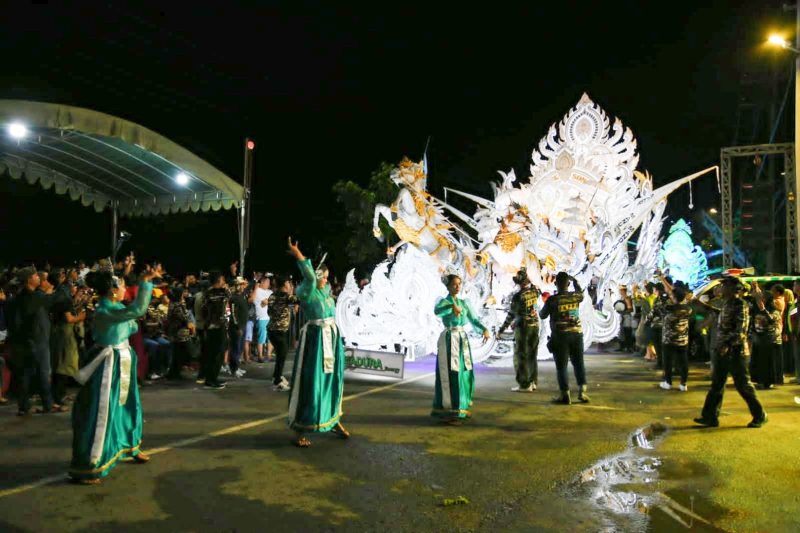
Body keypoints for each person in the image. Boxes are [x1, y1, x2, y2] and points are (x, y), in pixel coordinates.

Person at [69, 264, 162, 485]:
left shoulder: (115, 307)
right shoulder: (105, 311)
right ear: (112, 290)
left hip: (123, 359)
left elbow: (132, 322)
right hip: (108, 364)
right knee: (102, 411)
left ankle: (130, 444)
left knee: (129, 404)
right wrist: (146, 282)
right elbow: (137, 312)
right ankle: (90, 464)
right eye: (121, 285)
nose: (123, 289)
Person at [286, 237, 349, 447]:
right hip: (315, 342)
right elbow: (311, 278)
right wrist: (299, 255)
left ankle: (333, 419)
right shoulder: (306, 290)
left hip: (331, 339)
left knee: (333, 380)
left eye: (326, 277)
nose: (323, 280)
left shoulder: (326, 293)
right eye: (321, 276)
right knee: (312, 383)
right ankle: (301, 427)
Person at [694, 278, 767, 428]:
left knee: (743, 386)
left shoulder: (741, 305)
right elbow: (720, 314)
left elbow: (741, 330)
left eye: (725, 286)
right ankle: (710, 417)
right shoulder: (727, 304)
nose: (721, 288)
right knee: (717, 385)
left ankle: (760, 415)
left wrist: (727, 345)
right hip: (722, 350)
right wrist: (703, 306)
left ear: (735, 289)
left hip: (736, 352)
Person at [10, 267, 70, 415]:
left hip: (25, 341)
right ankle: (48, 404)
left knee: (25, 374)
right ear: (29, 279)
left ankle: (24, 407)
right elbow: (57, 298)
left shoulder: (20, 297)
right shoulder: (34, 296)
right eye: (36, 276)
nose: (39, 278)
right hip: (37, 341)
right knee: (43, 373)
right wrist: (61, 286)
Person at [432, 273, 491, 424]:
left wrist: (484, 329)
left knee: (464, 372)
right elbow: (438, 311)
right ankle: (451, 411)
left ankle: (461, 407)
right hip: (449, 339)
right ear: (448, 286)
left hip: (462, 340)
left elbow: (473, 319)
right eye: (454, 284)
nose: (457, 287)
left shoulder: (464, 303)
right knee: (452, 373)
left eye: (459, 284)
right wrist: (452, 307)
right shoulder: (443, 302)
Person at [539, 271, 589, 404]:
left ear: (555, 284)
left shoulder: (553, 300)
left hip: (560, 336)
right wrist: (575, 281)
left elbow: (542, 315)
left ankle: (565, 394)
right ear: (568, 284)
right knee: (579, 363)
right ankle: (582, 391)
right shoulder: (575, 297)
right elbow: (581, 293)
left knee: (561, 366)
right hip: (577, 335)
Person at [498, 268, 541, 392]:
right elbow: (537, 290)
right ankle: (533, 381)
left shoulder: (518, 296)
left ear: (520, 283)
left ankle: (524, 383)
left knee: (520, 355)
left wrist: (502, 329)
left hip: (523, 327)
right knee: (532, 355)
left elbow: (511, 315)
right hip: (535, 325)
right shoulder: (535, 291)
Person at [51, 282, 87, 405]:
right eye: (75, 286)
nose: (77, 288)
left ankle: (61, 394)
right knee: (64, 366)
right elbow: (69, 319)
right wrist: (82, 317)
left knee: (65, 365)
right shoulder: (64, 301)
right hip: (65, 336)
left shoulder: (65, 300)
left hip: (63, 335)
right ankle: (59, 396)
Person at [657, 274, 693, 392]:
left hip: (669, 340)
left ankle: (668, 382)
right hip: (683, 339)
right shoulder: (687, 308)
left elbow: (660, 309)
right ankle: (683, 383)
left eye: (672, 295)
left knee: (668, 362)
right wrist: (663, 279)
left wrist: (662, 280)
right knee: (683, 362)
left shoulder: (668, 308)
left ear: (674, 297)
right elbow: (673, 291)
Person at [268, 275, 298, 391]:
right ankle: (277, 381)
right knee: (281, 356)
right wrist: (292, 291)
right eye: (288, 284)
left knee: (281, 356)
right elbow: (298, 300)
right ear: (284, 285)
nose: (290, 285)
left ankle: (277, 376)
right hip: (279, 331)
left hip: (272, 330)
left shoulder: (272, 296)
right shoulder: (285, 296)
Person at [200, 272, 230, 390]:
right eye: (222, 279)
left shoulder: (206, 293)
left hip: (210, 326)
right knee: (218, 353)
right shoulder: (222, 293)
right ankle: (212, 380)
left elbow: (203, 310)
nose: (224, 281)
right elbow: (228, 297)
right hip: (218, 326)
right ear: (218, 281)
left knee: (212, 353)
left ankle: (211, 378)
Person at [750, 286, 781, 390]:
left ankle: (768, 381)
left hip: (768, 338)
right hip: (757, 338)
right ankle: (759, 380)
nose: (761, 299)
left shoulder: (774, 310)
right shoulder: (755, 308)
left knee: (767, 361)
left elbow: (772, 320)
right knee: (757, 360)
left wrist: (763, 309)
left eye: (763, 297)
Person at [165, 286, 196, 380]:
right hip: (179, 334)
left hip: (177, 333)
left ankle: (175, 373)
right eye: (183, 293)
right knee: (184, 353)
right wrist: (192, 327)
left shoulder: (174, 304)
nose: (184, 295)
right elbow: (186, 319)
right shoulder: (177, 306)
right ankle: (173, 374)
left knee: (178, 354)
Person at [228, 277, 249, 378]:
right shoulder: (234, 298)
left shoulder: (242, 296)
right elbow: (233, 314)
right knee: (235, 348)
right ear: (237, 286)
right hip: (237, 328)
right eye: (242, 284)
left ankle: (236, 367)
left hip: (243, 326)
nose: (244, 286)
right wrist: (238, 327)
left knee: (240, 348)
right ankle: (233, 369)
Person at [251, 275, 273, 363]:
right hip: (262, 317)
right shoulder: (258, 291)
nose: (268, 284)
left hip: (270, 317)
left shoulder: (270, 291)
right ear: (262, 282)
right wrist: (269, 301)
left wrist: (269, 301)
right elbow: (265, 302)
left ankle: (269, 355)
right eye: (267, 282)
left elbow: (271, 301)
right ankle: (260, 356)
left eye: (269, 282)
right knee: (261, 337)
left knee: (270, 338)